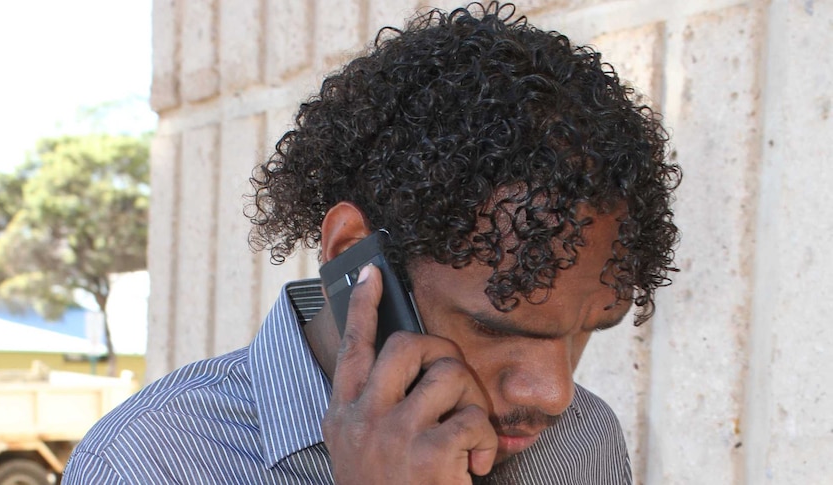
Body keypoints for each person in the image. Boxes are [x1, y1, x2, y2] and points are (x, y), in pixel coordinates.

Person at [62, 2, 680, 483]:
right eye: (494, 328)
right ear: (353, 255)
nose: (554, 392)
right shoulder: (147, 464)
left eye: (587, 329)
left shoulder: (582, 441)